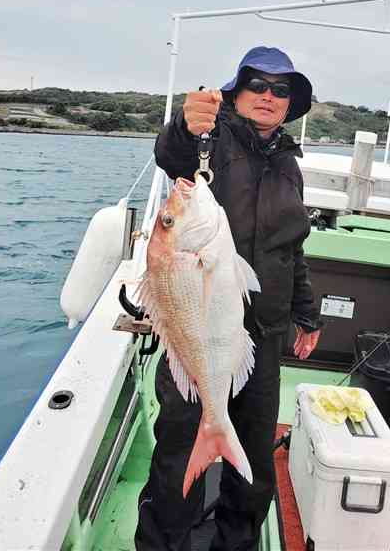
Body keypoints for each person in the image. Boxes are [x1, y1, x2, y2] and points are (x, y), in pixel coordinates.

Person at [135, 46, 323, 551]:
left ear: (289, 104)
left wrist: (306, 312)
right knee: (178, 461)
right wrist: (184, 123)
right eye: (257, 85)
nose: (268, 96)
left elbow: (292, 247)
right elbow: (172, 156)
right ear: (236, 94)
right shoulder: (209, 143)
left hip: (261, 336)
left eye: (281, 90)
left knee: (255, 467)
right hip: (198, 337)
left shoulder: (288, 165)